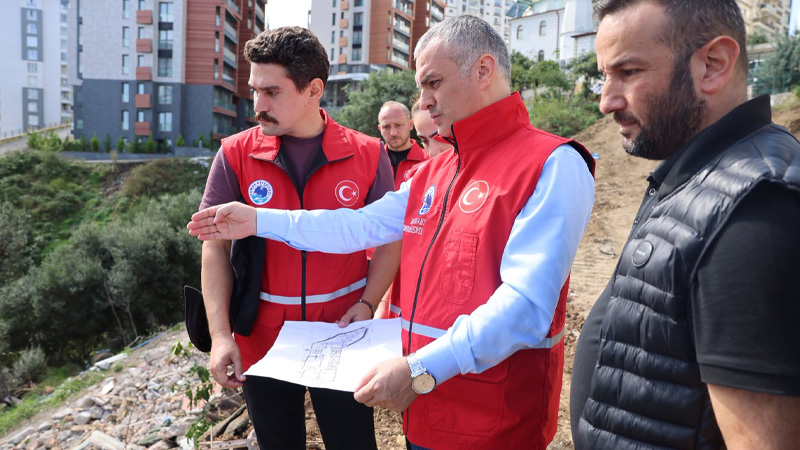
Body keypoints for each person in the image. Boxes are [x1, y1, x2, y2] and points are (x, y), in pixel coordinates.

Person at [189, 15, 595, 450]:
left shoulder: (552, 164)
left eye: (433, 83)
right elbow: (358, 226)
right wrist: (258, 220)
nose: (424, 102)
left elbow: (526, 308)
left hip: (494, 418)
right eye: (421, 88)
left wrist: (420, 368)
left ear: (483, 70)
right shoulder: (435, 172)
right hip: (424, 409)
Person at [570, 1, 800, 448]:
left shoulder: (756, 211)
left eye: (629, 72)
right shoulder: (701, 174)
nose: (606, 101)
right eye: (605, 76)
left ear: (713, 64)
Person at [198, 26, 397, 450]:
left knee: (353, 444)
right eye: (255, 91)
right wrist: (220, 335)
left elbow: (390, 237)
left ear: (313, 90)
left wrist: (368, 303)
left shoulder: (368, 153)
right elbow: (214, 247)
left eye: (272, 92)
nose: (258, 105)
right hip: (263, 338)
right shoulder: (234, 154)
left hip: (343, 332)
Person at [377, 101, 429, 185]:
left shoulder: (428, 160)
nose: (393, 133)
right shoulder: (373, 161)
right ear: (380, 129)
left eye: (398, 125)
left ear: (411, 124)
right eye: (386, 127)